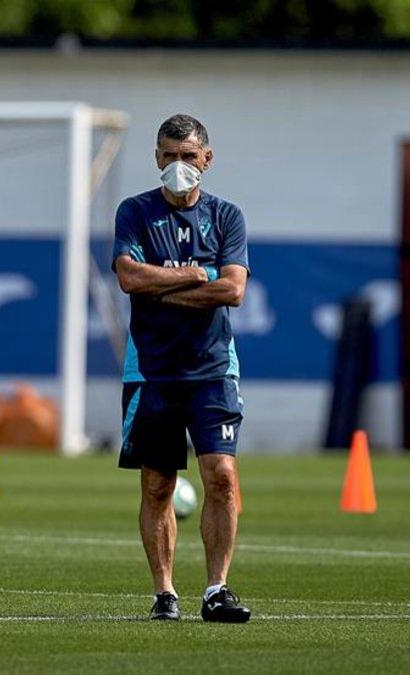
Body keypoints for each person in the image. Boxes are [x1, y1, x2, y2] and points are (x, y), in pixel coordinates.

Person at [112, 113, 251, 623]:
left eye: (188, 157)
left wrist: (165, 286)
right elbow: (128, 277)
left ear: (206, 159)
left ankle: (217, 588)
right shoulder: (135, 212)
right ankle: (164, 593)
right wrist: (197, 277)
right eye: (168, 156)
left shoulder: (227, 216)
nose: (178, 166)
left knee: (222, 476)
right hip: (151, 369)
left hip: (213, 367)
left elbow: (233, 290)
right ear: (156, 158)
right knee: (158, 484)